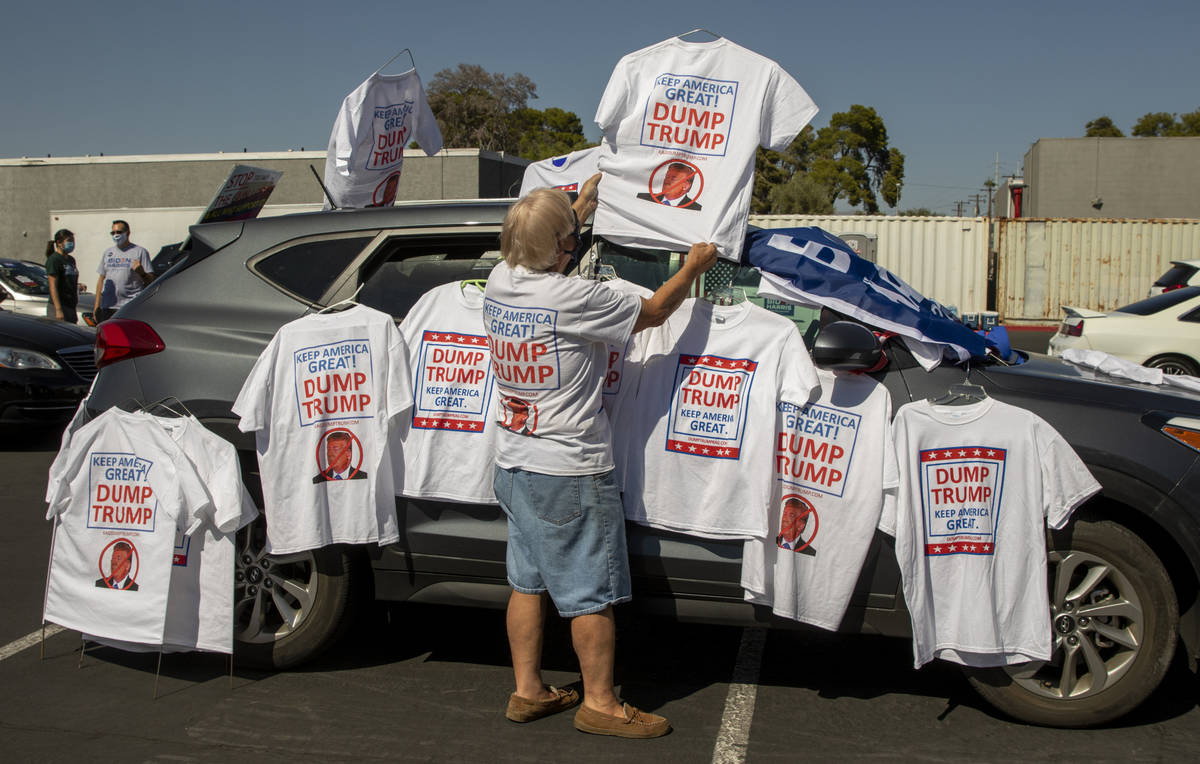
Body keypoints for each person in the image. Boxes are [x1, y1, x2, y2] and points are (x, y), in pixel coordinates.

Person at [486, 176, 716, 738]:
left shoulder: (499, 280)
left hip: (514, 461)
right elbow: (656, 311)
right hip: (570, 468)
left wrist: (578, 210)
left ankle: (528, 691)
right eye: (568, 242)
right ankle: (601, 704)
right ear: (557, 249)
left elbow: (550, 246)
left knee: (527, 581)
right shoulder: (573, 297)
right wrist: (692, 266)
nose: (573, 248)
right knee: (590, 590)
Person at [94, 220, 154, 322]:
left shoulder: (140, 252)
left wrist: (142, 273)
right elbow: (101, 279)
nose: (116, 235)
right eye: (113, 233)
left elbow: (151, 281)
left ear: (128, 233)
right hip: (108, 306)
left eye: (119, 232)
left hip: (129, 306)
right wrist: (96, 306)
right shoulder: (108, 253)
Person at [45, 228, 80, 323]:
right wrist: (58, 309)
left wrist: (78, 285)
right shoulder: (54, 260)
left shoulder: (71, 260)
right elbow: (53, 286)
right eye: (69, 241)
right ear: (59, 243)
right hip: (59, 307)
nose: (72, 243)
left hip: (71, 306)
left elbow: (67, 279)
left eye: (73, 241)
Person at [636, 162, 702, 210]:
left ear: (685, 186)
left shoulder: (695, 209)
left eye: (673, 178)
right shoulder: (643, 198)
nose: (667, 181)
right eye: (667, 176)